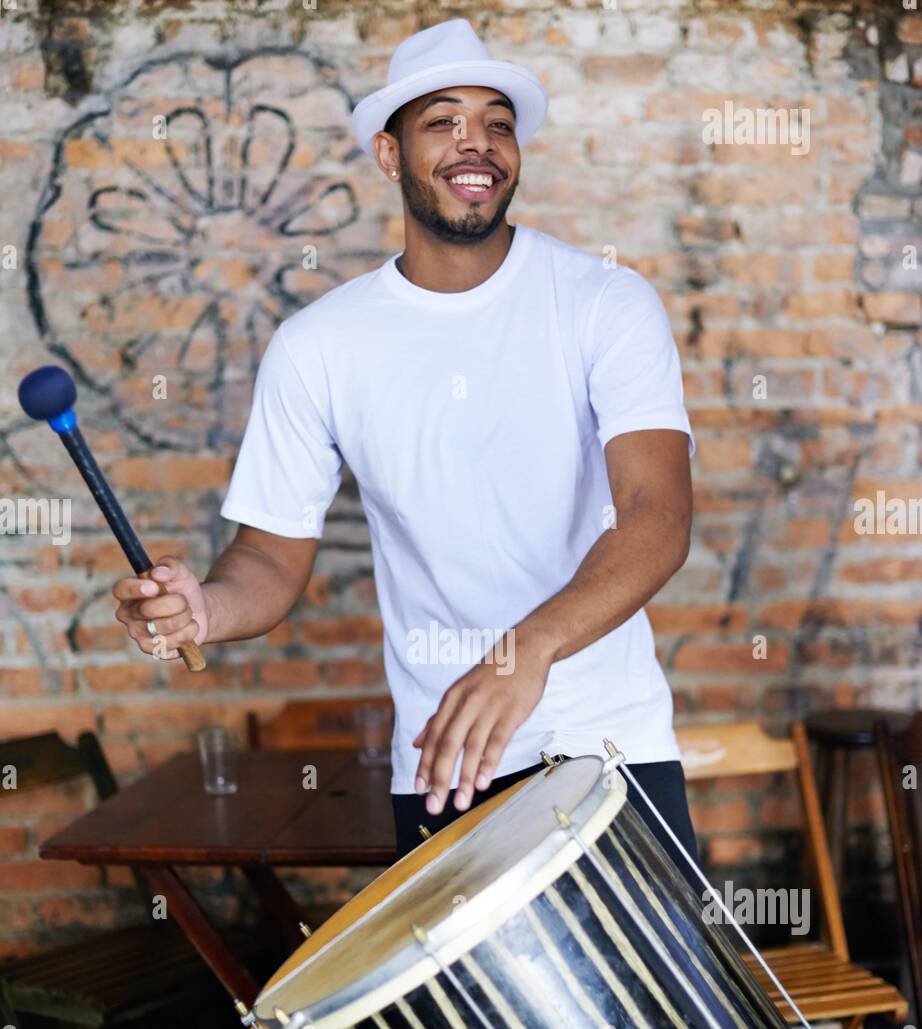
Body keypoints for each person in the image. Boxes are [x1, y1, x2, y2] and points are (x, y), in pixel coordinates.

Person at [111, 18, 699, 869]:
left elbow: (657, 515)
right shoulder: (321, 344)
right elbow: (269, 560)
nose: (479, 144)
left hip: (611, 750)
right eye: (444, 122)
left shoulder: (604, 302)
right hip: (445, 770)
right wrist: (205, 607)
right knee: (470, 1010)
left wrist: (523, 650)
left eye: (498, 123)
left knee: (653, 1005)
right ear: (390, 156)